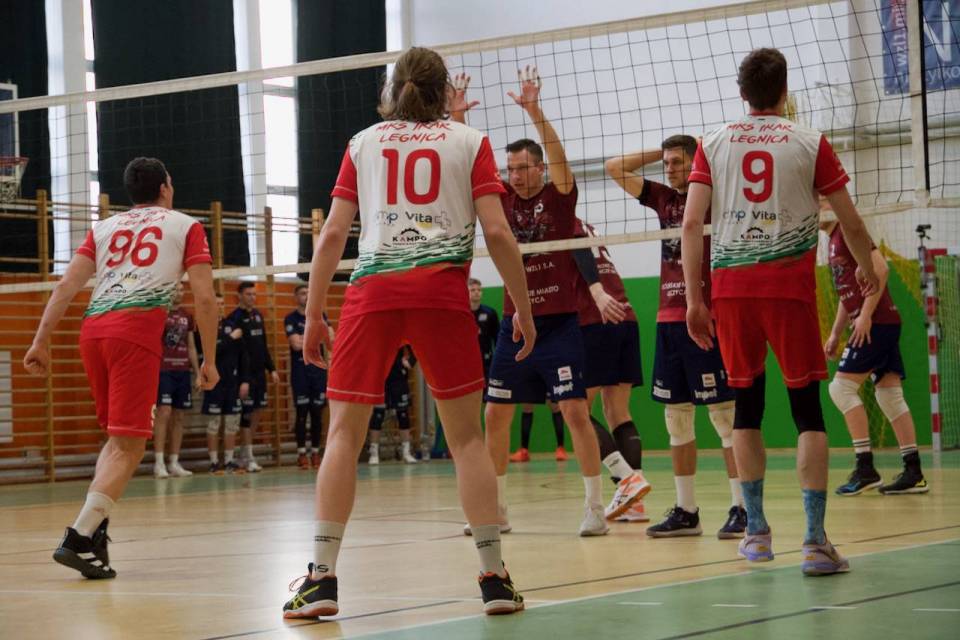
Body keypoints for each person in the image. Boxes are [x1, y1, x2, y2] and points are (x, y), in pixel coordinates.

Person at [282, 47, 534, 618]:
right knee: (467, 439)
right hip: (440, 293)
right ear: (446, 93)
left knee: (342, 435)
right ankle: (494, 577)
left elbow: (332, 235)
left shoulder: (363, 143)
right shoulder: (470, 142)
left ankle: (320, 579)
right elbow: (498, 233)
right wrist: (521, 308)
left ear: (392, 90)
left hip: (372, 292)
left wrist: (316, 313)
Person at [681, 48, 879, 576]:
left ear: (741, 92)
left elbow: (691, 224)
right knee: (807, 411)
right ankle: (814, 542)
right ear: (784, 92)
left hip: (731, 289)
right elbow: (850, 221)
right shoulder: (810, 141)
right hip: (788, 288)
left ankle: (756, 533)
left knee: (746, 408)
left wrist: (695, 300)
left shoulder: (712, 142)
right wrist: (869, 269)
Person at [24, 157, 218, 579]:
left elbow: (66, 285)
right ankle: (79, 536)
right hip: (134, 333)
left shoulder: (104, 227)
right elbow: (205, 298)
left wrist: (39, 340)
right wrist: (209, 358)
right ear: (165, 188)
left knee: (117, 442)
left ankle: (95, 536)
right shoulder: (185, 225)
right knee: (129, 447)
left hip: (93, 332)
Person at [452, 67, 608, 537]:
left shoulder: (559, 197)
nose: (516, 176)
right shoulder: (499, 198)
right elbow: (466, 164)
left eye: (523, 168)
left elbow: (560, 157)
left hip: (559, 323)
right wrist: (457, 117)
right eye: (511, 169)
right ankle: (496, 509)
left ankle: (595, 508)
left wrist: (535, 111)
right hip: (515, 323)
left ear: (539, 168)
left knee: (575, 411)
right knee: (494, 414)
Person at [606, 136, 745, 538]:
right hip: (668, 319)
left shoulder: (716, 194)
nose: (669, 168)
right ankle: (687, 511)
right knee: (677, 420)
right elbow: (614, 167)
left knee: (724, 417)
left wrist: (703, 152)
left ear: (696, 163)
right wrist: (662, 149)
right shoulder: (664, 199)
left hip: (707, 313)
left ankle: (743, 508)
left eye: (678, 162)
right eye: (666, 163)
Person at [823, 221, 928, 495]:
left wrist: (866, 315)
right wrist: (835, 334)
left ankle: (866, 469)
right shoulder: (832, 239)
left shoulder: (847, 231)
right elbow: (847, 295)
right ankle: (913, 472)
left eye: (820, 200)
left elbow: (881, 268)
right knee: (889, 396)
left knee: (841, 389)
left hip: (876, 323)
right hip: (883, 323)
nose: (815, 204)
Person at [570, 219, 652, 522]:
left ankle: (627, 478)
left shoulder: (560, 221)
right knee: (618, 411)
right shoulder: (587, 225)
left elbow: (579, 254)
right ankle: (634, 503)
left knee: (576, 410)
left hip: (596, 319)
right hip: (625, 316)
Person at [229, 281, 280, 472]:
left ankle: (245, 453)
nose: (252, 297)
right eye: (248, 294)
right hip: (245, 375)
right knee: (246, 414)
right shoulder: (234, 318)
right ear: (240, 296)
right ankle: (248, 457)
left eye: (254, 294)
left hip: (259, 373)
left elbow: (263, 345)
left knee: (258, 411)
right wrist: (242, 379)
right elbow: (235, 351)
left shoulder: (258, 315)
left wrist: (272, 369)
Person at [153, 282, 201, 478]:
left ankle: (174, 461)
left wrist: (197, 372)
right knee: (163, 412)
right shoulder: (159, 313)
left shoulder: (186, 316)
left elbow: (191, 346)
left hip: (182, 370)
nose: (179, 293)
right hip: (164, 370)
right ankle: (159, 462)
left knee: (179, 415)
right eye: (175, 289)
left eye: (181, 289)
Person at [285, 284, 332, 470]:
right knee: (302, 413)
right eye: (302, 293)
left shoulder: (320, 315)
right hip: (300, 372)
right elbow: (296, 345)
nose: (306, 296)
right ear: (296, 297)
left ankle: (315, 453)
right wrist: (316, 335)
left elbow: (331, 337)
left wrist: (307, 336)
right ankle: (301, 454)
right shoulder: (291, 318)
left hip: (318, 372)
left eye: (308, 293)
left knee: (317, 413)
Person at [202, 293, 247, 474]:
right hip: (213, 383)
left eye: (222, 304)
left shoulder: (232, 325)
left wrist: (244, 380)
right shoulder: (206, 327)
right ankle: (214, 462)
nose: (219, 307)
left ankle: (229, 460)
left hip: (232, 383)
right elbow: (211, 351)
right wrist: (230, 338)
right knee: (213, 423)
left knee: (231, 422)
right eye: (216, 303)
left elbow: (243, 356)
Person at [367, 346, 418, 465]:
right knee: (378, 415)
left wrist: (410, 362)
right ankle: (374, 453)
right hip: (380, 377)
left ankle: (406, 452)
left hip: (398, 378)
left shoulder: (401, 336)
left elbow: (415, 347)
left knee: (403, 414)